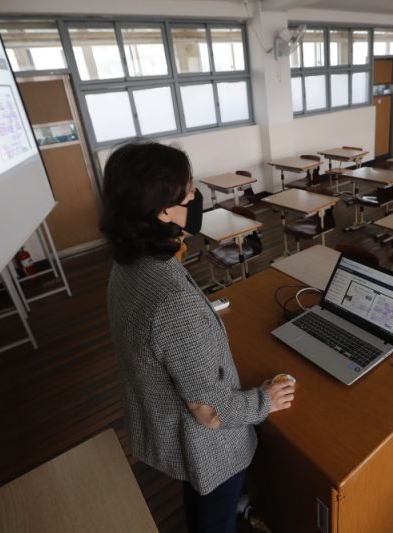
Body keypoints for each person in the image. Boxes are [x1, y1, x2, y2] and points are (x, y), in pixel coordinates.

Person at [101, 141, 295, 533]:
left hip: (168, 428)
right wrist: (264, 401)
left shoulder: (127, 264)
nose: (195, 198)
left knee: (200, 493)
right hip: (207, 448)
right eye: (189, 193)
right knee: (213, 513)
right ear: (162, 211)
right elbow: (210, 411)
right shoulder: (171, 303)